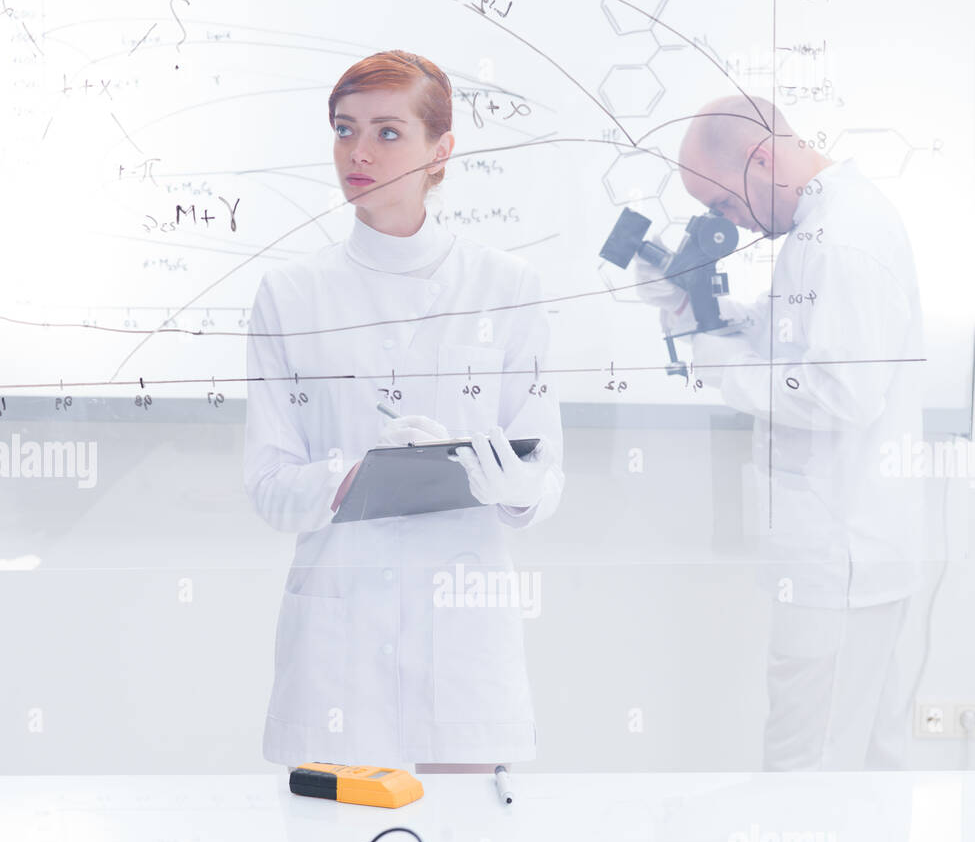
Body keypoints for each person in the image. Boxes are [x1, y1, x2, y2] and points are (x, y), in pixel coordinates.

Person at [243, 50, 563, 770]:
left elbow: (543, 480)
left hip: (464, 634)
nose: (357, 153)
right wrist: (358, 476)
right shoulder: (290, 295)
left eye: (387, 132)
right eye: (342, 129)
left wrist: (503, 483)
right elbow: (267, 484)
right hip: (337, 634)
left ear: (440, 150)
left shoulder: (505, 286)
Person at [636, 95, 926, 770]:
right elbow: (785, 343)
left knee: (809, 771)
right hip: (841, 555)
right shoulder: (821, 226)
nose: (729, 225)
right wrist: (691, 307)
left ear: (761, 158)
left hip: (839, 557)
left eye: (726, 206)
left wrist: (712, 358)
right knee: (855, 768)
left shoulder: (842, 239)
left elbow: (839, 391)